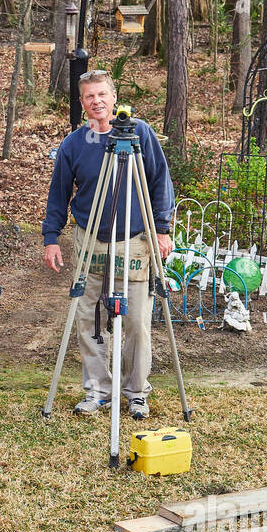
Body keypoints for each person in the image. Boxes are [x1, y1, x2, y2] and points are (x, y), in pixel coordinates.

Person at [43, 71, 174, 419]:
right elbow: (58, 194)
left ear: (114, 97)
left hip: (134, 241)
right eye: (88, 96)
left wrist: (162, 229)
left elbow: (160, 180)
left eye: (102, 94)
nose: (96, 101)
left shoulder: (139, 133)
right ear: (82, 102)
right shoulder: (73, 144)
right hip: (89, 240)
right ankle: (97, 391)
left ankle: (136, 393)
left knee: (137, 323)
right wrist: (50, 237)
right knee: (88, 319)